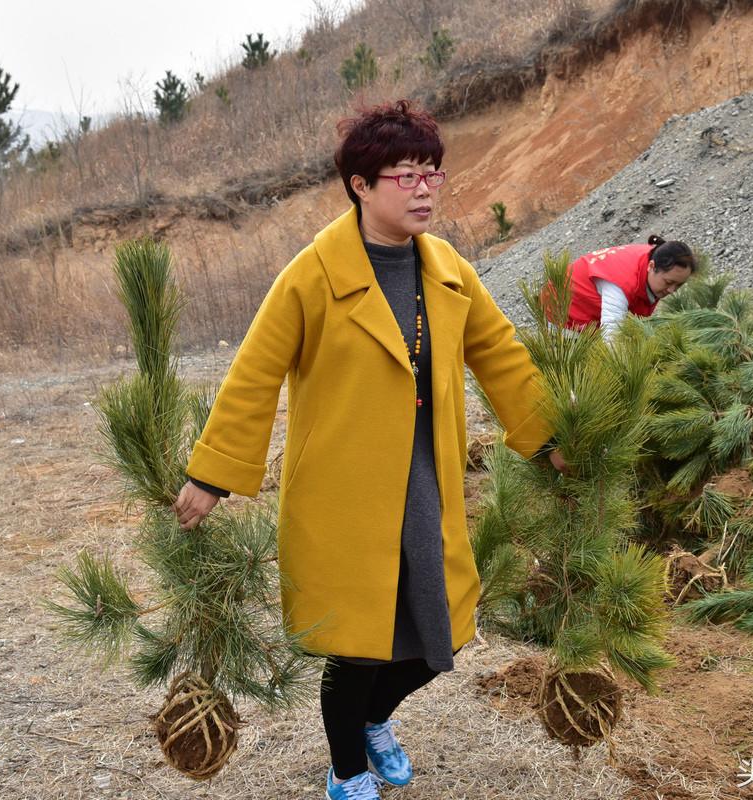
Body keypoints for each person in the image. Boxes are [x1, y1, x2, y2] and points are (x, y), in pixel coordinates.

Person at [170, 99, 565, 800]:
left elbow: (501, 356)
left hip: (425, 479)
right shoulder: (313, 274)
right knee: (355, 646)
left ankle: (377, 720)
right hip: (342, 488)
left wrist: (552, 438)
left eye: (432, 175)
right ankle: (347, 770)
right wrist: (212, 475)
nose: (423, 189)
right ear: (361, 185)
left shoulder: (448, 270)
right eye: (405, 176)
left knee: (438, 635)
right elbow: (255, 372)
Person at [544, 236, 697, 342]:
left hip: (589, 309)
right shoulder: (621, 284)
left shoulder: (655, 257)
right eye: (668, 282)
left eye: (679, 285)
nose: (671, 290)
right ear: (652, 266)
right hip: (564, 317)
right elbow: (612, 338)